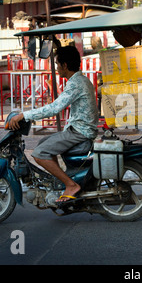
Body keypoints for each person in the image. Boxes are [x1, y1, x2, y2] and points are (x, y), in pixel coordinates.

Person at [9, 46, 98, 202]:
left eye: (57, 64)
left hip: (79, 132)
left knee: (39, 153)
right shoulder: (79, 80)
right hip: (78, 129)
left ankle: (70, 185)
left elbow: (54, 108)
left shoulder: (76, 83)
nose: (56, 68)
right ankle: (59, 181)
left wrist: (25, 115)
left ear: (64, 65)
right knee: (43, 142)